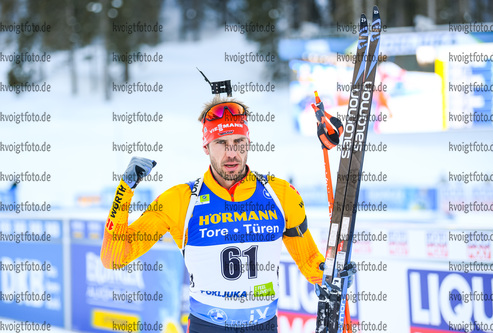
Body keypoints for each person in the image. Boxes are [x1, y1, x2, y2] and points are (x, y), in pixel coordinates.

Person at [100, 96, 345, 332]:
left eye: (239, 142)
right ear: (206, 146)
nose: (231, 153)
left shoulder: (282, 194)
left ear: (248, 143)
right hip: (207, 326)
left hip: (264, 326)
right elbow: (114, 258)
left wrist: (331, 273)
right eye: (221, 143)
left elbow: (309, 261)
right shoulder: (180, 200)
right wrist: (124, 190)